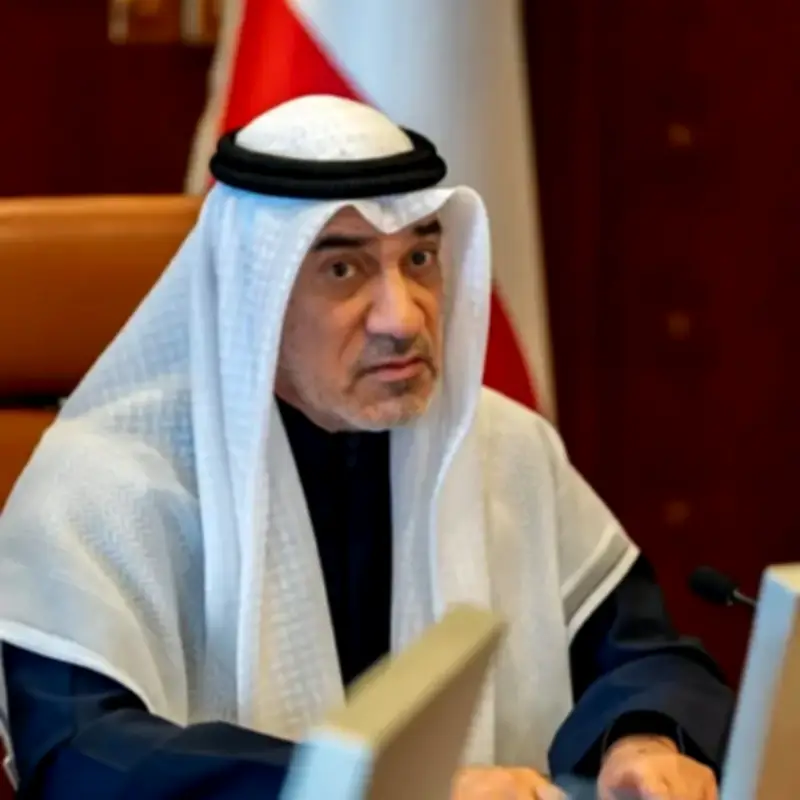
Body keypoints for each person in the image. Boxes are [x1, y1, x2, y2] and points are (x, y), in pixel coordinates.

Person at [0, 95, 732, 800]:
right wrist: (373, 789)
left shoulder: (502, 447)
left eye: (420, 259)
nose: (402, 317)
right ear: (252, 294)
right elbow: (81, 760)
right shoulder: (105, 484)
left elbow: (642, 655)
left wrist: (643, 739)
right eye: (343, 270)